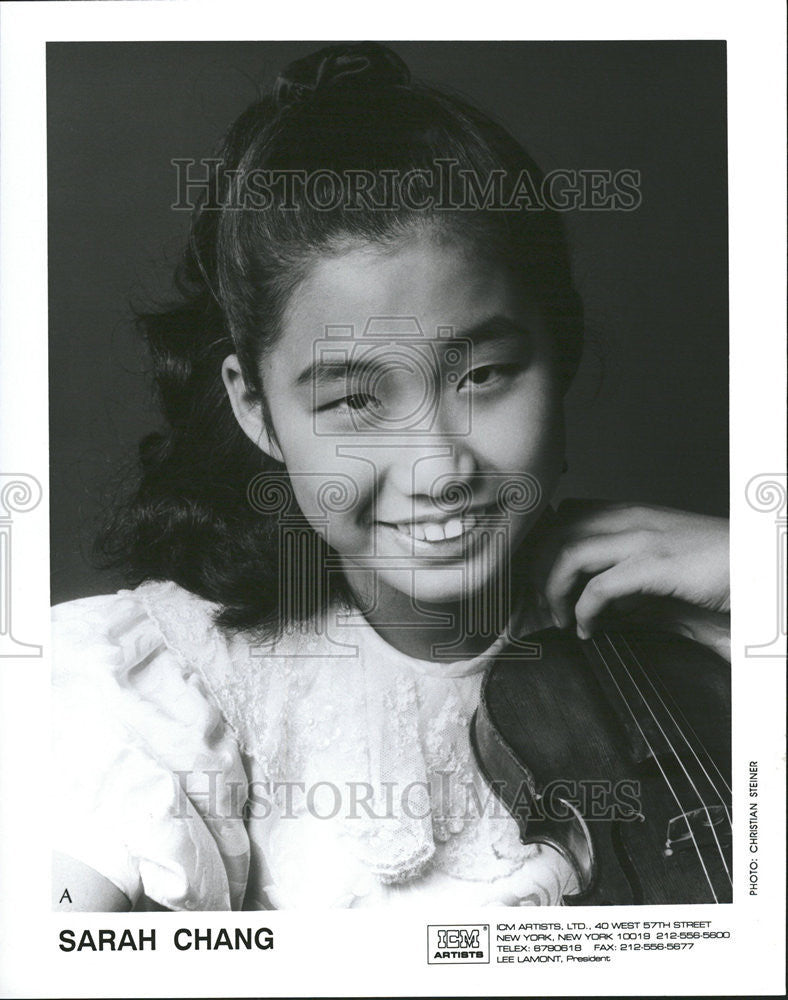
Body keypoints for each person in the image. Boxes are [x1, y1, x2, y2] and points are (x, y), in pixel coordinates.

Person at [52, 42, 729, 911]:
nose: (439, 464)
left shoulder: (706, 634)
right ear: (257, 410)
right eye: (355, 401)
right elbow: (50, 949)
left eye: (481, 376)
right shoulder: (178, 683)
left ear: (559, 351)